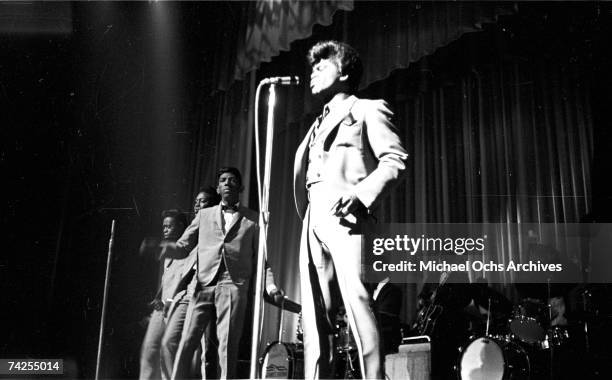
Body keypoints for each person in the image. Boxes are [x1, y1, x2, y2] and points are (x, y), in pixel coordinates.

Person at [293, 40, 408, 379]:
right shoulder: (314, 126)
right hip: (312, 219)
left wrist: (361, 193)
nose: (313, 71)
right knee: (316, 319)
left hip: (347, 217)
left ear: (343, 72)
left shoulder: (367, 109)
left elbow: (395, 160)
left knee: (359, 307)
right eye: (312, 66)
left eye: (322, 65)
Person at [162, 167, 280, 379]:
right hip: (203, 284)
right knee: (187, 341)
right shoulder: (204, 215)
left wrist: (270, 286)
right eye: (223, 180)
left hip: (232, 285)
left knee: (227, 346)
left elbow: (262, 261)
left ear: (241, 187)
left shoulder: (253, 219)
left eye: (233, 180)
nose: (227, 183)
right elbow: (183, 246)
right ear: (218, 187)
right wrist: (163, 248)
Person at [159, 187, 220, 380]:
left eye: (202, 201)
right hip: (189, 293)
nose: (196, 205)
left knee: (206, 351)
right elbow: (180, 269)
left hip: (212, 291)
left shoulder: (220, 226)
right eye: (195, 202)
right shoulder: (192, 232)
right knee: (169, 342)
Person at [139, 209, 188, 380]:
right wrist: (158, 297)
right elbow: (168, 279)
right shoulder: (166, 251)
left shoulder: (186, 248)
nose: (165, 230)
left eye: (169, 226)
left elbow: (183, 280)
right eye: (164, 226)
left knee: (167, 351)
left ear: (181, 226)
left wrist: (168, 299)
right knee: (149, 349)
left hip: (176, 305)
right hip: (161, 308)